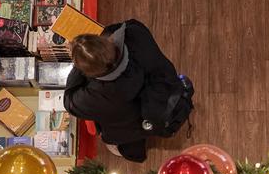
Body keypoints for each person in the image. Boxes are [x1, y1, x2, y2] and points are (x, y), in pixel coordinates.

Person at [64, 19, 193, 162]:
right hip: (163, 94)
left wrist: (78, 63)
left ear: (89, 72)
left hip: (131, 127)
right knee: (136, 125)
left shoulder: (95, 96)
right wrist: (92, 49)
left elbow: (69, 101)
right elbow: (124, 25)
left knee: (126, 136)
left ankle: (134, 152)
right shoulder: (135, 33)